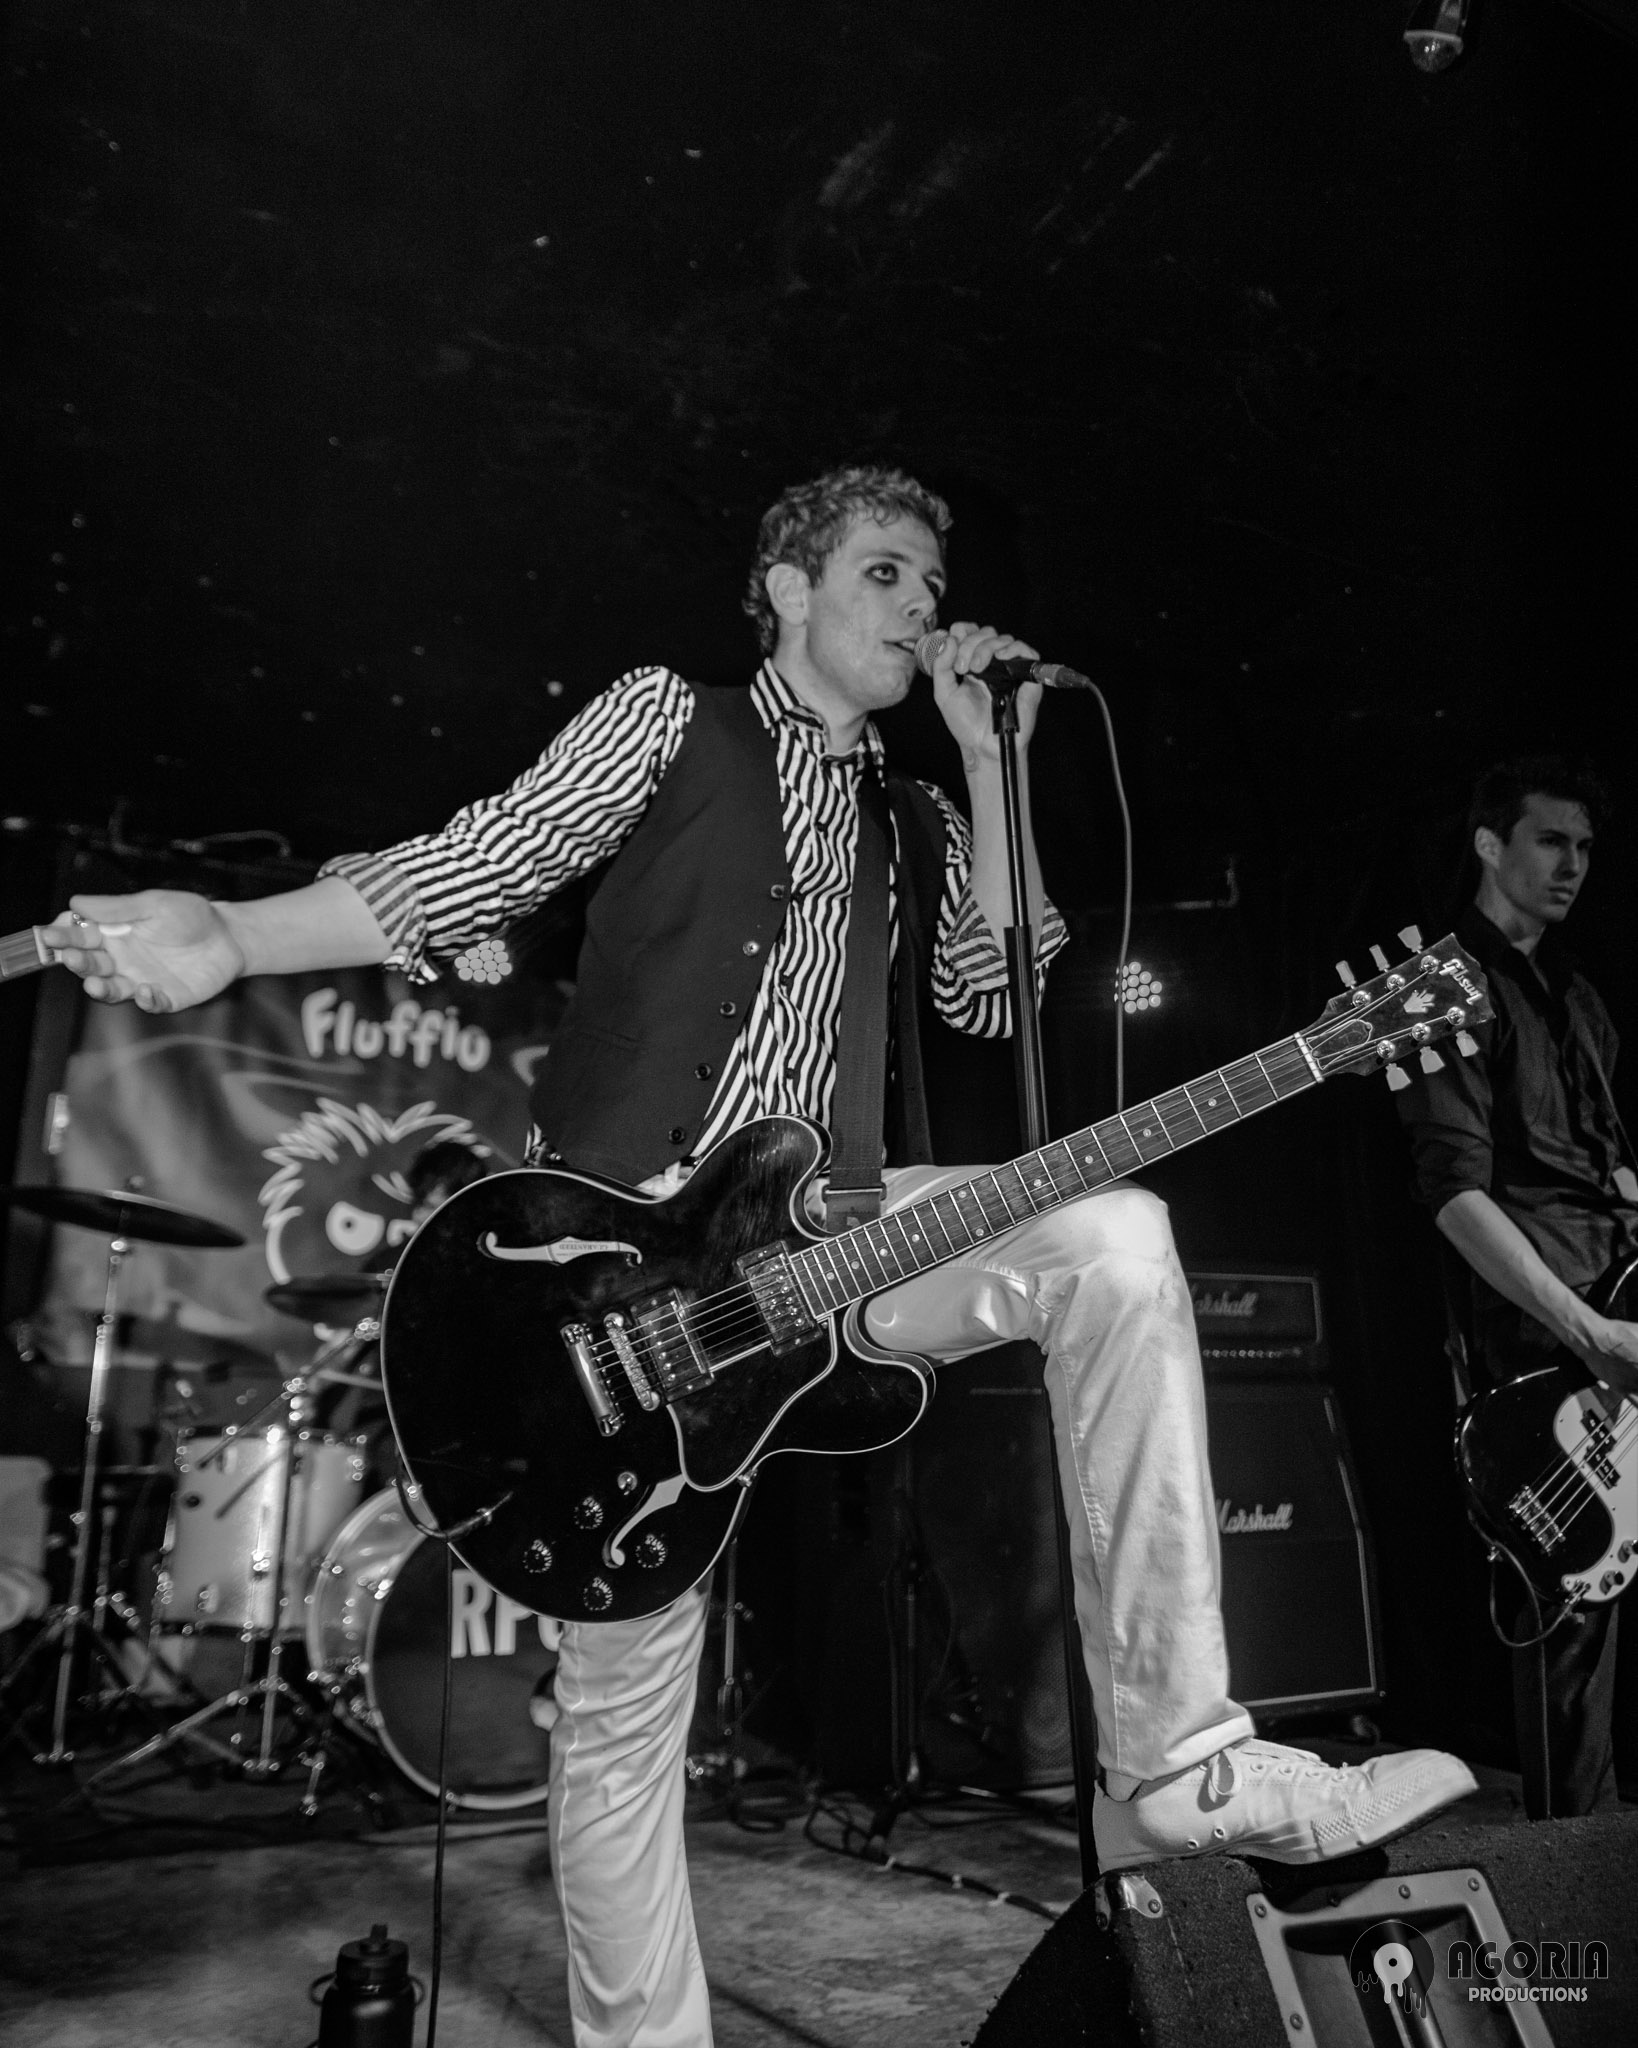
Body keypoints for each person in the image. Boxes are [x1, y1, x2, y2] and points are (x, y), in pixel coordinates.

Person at [46, 465, 1474, 2047]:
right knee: (619, 1718)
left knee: (1114, 1234)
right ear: (788, 591)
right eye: (886, 574)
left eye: (933, 584)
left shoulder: (914, 808)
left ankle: (1180, 1757)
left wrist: (994, 768)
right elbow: (479, 864)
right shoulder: (673, 719)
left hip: (839, 1236)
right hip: (617, 1270)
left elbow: (993, 1001)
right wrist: (236, 935)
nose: (921, 606)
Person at [1395, 756, 1638, 1817]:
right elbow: (1454, 1195)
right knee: (1576, 1611)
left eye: (1584, 847)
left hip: (1618, 1302)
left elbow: (1607, 1169)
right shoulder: (1436, 985)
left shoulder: (1577, 993)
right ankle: (1577, 1878)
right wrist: (1585, 1327)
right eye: (1550, 840)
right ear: (1491, 844)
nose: (1572, 865)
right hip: (1548, 1337)